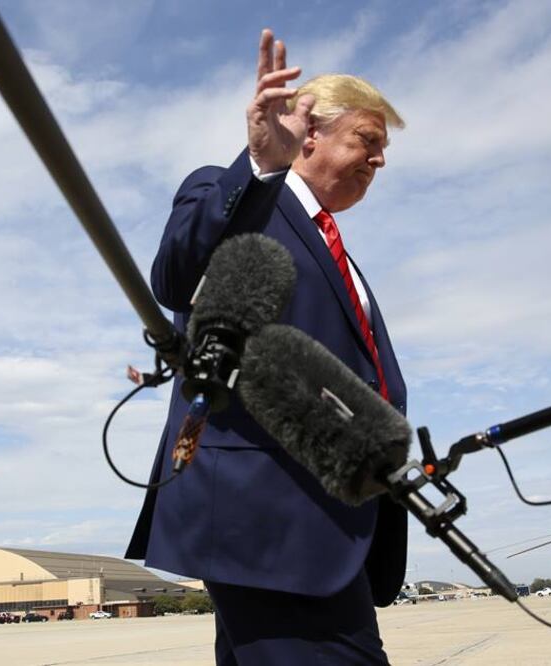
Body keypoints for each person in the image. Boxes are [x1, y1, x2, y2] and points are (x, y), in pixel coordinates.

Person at [126, 28, 408, 665]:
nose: (380, 159)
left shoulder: (341, 256)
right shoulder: (239, 194)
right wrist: (258, 168)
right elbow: (175, 276)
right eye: (369, 140)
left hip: (330, 521)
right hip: (266, 519)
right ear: (311, 133)